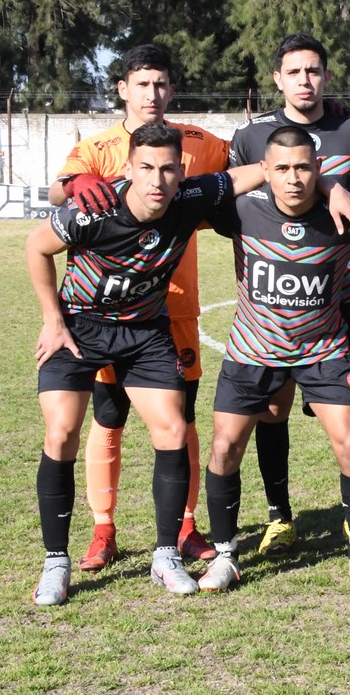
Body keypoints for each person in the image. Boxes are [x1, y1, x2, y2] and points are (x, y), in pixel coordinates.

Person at [26, 123, 258, 605]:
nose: (157, 179)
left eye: (169, 169)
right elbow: (36, 247)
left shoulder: (192, 197)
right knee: (61, 433)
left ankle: (165, 555)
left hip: (145, 332)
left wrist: (324, 182)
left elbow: (255, 173)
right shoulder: (94, 209)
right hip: (81, 328)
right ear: (129, 168)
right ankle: (56, 563)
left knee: (173, 430)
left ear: (182, 172)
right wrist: (53, 319)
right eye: (147, 168)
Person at [197, 125, 350, 594]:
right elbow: (186, 197)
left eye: (305, 168)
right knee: (225, 447)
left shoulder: (348, 212)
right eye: (282, 168)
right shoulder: (240, 209)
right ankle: (226, 557)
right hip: (253, 350)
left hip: (324, 349)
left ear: (319, 169)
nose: (294, 179)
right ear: (265, 170)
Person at [48, 43, 228, 571]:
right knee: (108, 415)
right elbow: (60, 198)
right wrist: (75, 184)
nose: (152, 94)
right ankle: (103, 528)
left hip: (174, 307)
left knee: (181, 418)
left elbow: (250, 166)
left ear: (172, 89)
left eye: (161, 84)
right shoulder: (99, 147)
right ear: (123, 89)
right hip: (105, 312)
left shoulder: (197, 143)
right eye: (142, 84)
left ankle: (185, 527)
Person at [226, 33, 350, 559]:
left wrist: (336, 186)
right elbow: (236, 190)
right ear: (278, 79)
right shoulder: (252, 136)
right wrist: (324, 184)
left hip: (344, 295)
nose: (305, 81)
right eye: (294, 73)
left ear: (327, 76)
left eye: (313, 71)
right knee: (273, 407)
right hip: (274, 296)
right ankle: (279, 516)